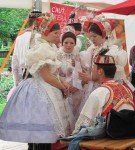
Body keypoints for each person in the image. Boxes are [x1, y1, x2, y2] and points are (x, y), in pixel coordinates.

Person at [0, 13, 74, 150]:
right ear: (46, 32)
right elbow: (46, 76)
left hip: (34, 88)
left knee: (36, 135)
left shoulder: (42, 44)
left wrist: (61, 82)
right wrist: (62, 87)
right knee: (42, 136)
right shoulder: (43, 48)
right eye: (56, 33)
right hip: (42, 91)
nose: (58, 36)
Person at [74, 55, 134, 133]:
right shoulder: (127, 90)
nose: (92, 70)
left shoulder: (99, 93)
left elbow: (82, 125)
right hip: (128, 133)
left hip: (109, 138)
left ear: (100, 71)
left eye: (93, 68)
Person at [57, 31, 84, 123]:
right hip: (61, 87)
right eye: (66, 42)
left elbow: (83, 73)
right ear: (62, 43)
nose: (69, 45)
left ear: (75, 44)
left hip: (76, 88)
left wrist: (77, 65)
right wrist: (63, 85)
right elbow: (55, 73)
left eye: (72, 43)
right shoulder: (57, 55)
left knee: (76, 112)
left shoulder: (78, 55)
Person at [12, 11, 41, 86]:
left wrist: (16, 84)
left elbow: (15, 63)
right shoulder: (39, 37)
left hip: (23, 79)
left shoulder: (19, 38)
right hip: (39, 79)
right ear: (36, 23)